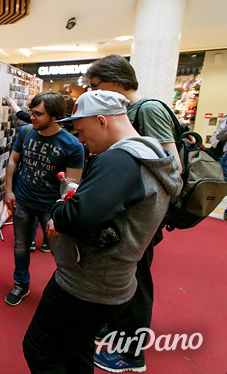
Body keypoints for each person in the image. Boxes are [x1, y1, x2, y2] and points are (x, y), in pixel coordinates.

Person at [22, 90, 182, 374]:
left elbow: (75, 218)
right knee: (76, 348)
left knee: (40, 350)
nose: (81, 140)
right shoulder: (151, 152)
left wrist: (61, 204)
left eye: (82, 131)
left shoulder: (121, 160)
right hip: (112, 279)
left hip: (87, 284)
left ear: (102, 121)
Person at [85, 56, 183, 372]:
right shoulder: (134, 112)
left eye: (97, 86)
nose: (94, 92)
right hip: (131, 212)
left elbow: (172, 166)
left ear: (116, 80)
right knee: (126, 278)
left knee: (137, 282)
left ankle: (132, 354)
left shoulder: (149, 109)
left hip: (142, 215)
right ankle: (119, 331)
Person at [3, 91, 84, 306]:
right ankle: (21, 283)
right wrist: (8, 190)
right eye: (31, 113)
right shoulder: (26, 131)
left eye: (39, 114)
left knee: (61, 252)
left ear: (54, 116)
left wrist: (59, 214)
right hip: (24, 200)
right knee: (20, 245)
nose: (33, 118)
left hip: (51, 206)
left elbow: (72, 185)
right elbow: (13, 161)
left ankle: (66, 291)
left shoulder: (72, 145)